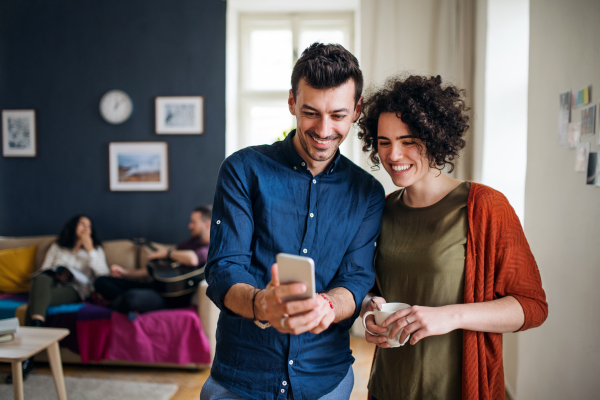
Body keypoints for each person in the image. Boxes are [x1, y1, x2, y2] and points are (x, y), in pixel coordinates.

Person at [201, 43, 385, 400]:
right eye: (310, 112)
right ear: (291, 103)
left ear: (357, 110)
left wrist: (328, 306)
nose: (323, 129)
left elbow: (356, 278)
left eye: (338, 115)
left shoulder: (368, 193)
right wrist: (260, 304)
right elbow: (224, 267)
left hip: (325, 380)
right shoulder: (242, 170)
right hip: (241, 377)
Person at [357, 75, 548, 400]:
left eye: (408, 140)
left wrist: (449, 316)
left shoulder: (485, 206)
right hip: (386, 387)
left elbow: (532, 306)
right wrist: (368, 310)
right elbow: (376, 290)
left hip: (455, 389)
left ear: (435, 138)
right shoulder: (383, 209)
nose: (394, 154)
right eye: (384, 141)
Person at [6, 214, 109, 383]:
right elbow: (45, 269)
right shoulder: (58, 246)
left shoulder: (96, 249)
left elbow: (103, 275)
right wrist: (57, 276)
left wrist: (89, 250)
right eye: (82, 224)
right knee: (39, 278)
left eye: (89, 226)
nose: (86, 228)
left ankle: (27, 358)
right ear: (73, 226)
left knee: (35, 303)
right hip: (53, 285)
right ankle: (32, 343)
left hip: (75, 290)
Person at [93, 205, 211, 314]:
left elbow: (193, 259)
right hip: (155, 285)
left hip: (169, 297)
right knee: (101, 281)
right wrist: (125, 273)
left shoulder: (212, 247)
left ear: (207, 225)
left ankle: (117, 303)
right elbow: (154, 270)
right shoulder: (189, 243)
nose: (189, 226)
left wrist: (167, 253)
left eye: (193, 222)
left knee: (131, 298)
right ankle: (120, 303)